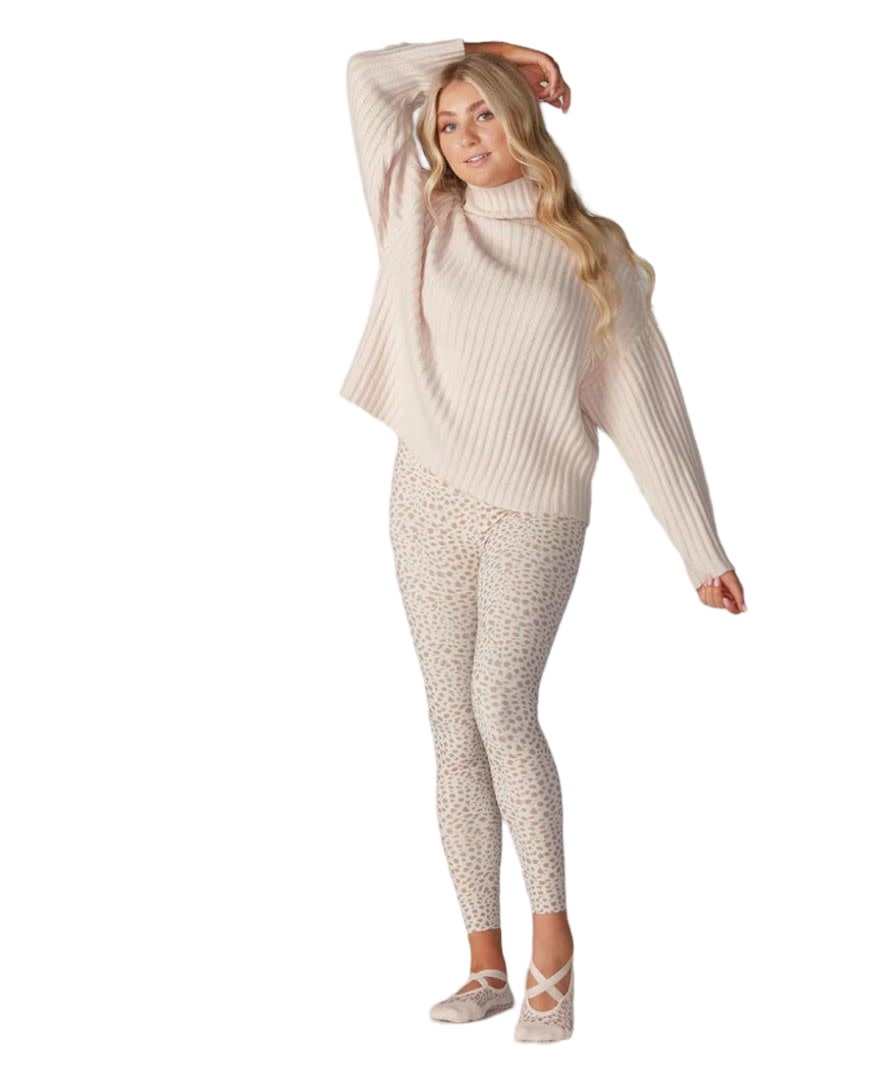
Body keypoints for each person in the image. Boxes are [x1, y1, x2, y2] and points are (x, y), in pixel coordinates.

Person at [340, 38, 748, 1042]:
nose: (464, 136)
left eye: (483, 111)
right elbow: (366, 79)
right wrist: (483, 51)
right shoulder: (421, 217)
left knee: (501, 707)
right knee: (451, 725)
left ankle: (553, 945)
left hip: (535, 509)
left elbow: (647, 406)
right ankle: (483, 964)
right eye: (447, 123)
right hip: (426, 497)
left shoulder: (593, 251)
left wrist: (700, 550)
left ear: (523, 118)